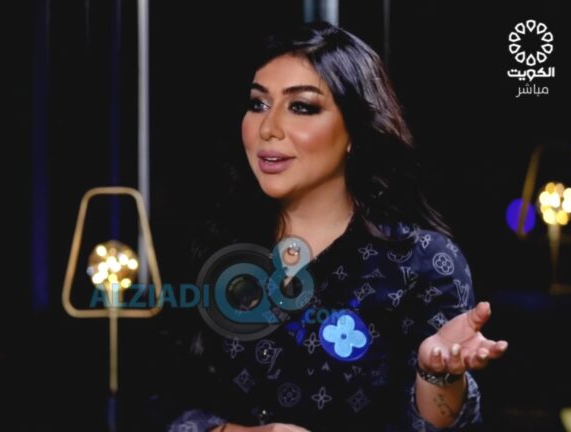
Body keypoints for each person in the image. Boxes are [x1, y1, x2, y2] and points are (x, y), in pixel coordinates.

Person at [162, 21, 508, 432]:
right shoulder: (210, 241)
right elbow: (160, 396)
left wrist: (439, 374)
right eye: (258, 104)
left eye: (301, 107)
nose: (268, 128)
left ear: (354, 132)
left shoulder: (422, 262)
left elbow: (439, 425)